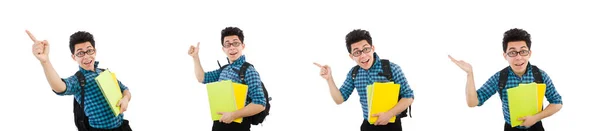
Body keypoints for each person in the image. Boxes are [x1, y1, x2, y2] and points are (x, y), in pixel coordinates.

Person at [448, 28, 563, 131]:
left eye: (523, 51)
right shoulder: (500, 78)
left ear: (529, 53)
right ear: (505, 55)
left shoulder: (540, 75)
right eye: (512, 52)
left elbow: (557, 103)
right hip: (510, 128)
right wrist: (470, 74)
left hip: (536, 127)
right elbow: (473, 102)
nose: (518, 57)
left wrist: (535, 118)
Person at [26, 30, 132, 131]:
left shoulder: (105, 72)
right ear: (74, 57)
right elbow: (60, 87)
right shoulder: (78, 80)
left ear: (94, 51)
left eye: (89, 50)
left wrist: (126, 98)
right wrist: (45, 62)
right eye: (80, 53)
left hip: (122, 127)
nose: (86, 56)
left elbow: (125, 89)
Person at [314, 29, 414, 131]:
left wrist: (389, 114)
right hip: (367, 126)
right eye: (357, 52)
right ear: (351, 56)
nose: (363, 55)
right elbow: (339, 99)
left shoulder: (392, 68)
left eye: (366, 49)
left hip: (392, 125)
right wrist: (329, 79)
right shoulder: (354, 73)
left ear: (373, 48)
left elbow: (409, 97)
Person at [188, 27, 267, 131]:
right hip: (219, 123)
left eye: (236, 43)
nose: (231, 47)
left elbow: (260, 104)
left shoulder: (249, 71)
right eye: (227, 44)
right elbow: (202, 78)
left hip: (238, 126)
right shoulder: (224, 69)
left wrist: (233, 115)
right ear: (223, 49)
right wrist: (195, 57)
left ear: (242, 46)